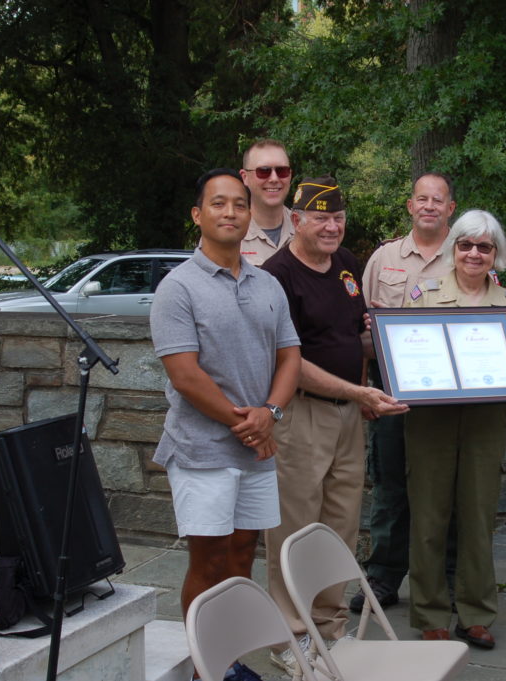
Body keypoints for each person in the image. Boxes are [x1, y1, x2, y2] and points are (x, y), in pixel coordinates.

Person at [150, 168, 302, 681]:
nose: (231, 213)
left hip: (255, 448)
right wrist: (248, 423)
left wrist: (270, 414)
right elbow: (185, 375)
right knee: (209, 561)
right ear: (198, 215)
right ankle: (202, 668)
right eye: (219, 204)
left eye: (239, 204)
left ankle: (229, 658)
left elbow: (290, 356)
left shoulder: (268, 284)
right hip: (203, 450)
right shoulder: (178, 288)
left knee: (242, 555)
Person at [261, 175, 409, 675]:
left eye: (338, 217)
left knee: (340, 526)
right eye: (320, 217)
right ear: (296, 220)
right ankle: (291, 637)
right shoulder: (277, 275)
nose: (331, 226)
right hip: (301, 414)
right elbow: (290, 360)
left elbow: (354, 336)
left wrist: (366, 387)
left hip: (349, 416)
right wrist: (356, 391)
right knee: (294, 529)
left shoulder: (347, 266)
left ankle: (329, 626)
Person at [404, 209, 506, 649]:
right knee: (428, 517)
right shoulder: (423, 294)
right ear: (454, 248)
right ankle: (430, 612)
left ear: (496, 254)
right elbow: (404, 351)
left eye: (484, 247)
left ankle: (475, 613)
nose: (473, 253)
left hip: (486, 418)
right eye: (465, 244)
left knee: (479, 516)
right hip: (430, 419)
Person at [351, 172, 457, 613]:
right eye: (422, 199)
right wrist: (361, 389)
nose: (429, 206)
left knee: (447, 490)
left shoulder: (469, 253)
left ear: (451, 207)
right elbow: (360, 329)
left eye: (439, 199)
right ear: (410, 206)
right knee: (391, 487)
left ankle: (446, 579)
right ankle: (383, 577)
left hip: (450, 401)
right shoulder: (383, 259)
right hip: (392, 394)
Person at [239, 139, 294, 265]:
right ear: (245, 177)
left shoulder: (306, 230)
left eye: (281, 171)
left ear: (290, 175)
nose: (274, 178)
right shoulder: (226, 234)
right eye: (263, 171)